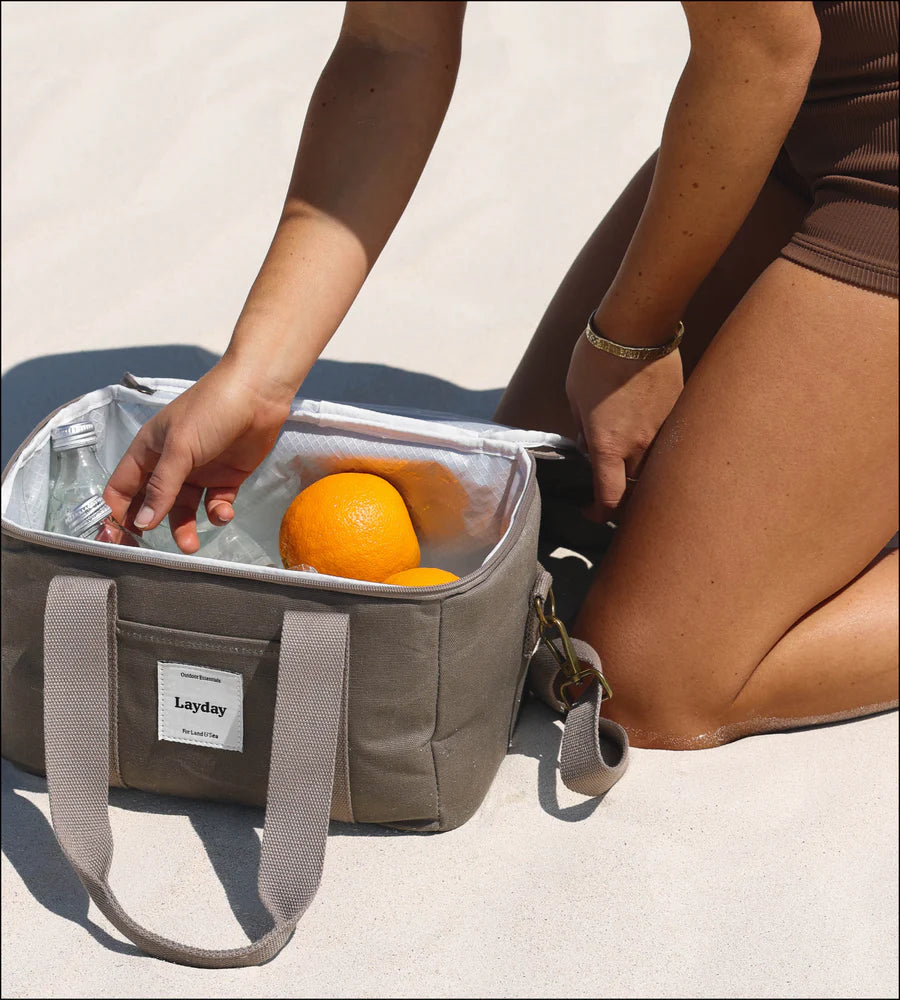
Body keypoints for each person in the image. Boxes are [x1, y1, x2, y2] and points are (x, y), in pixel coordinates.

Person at [104, 1, 899, 749]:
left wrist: (632, 338)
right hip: (802, 115)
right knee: (523, 514)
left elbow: (763, 50)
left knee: (648, 677)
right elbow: (393, 45)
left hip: (815, 102)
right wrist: (254, 376)